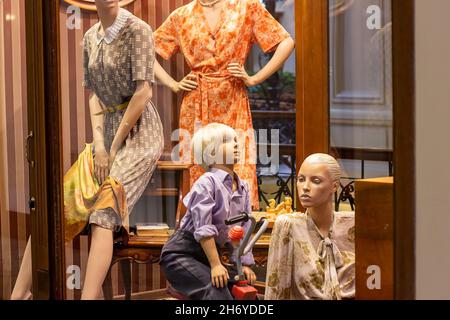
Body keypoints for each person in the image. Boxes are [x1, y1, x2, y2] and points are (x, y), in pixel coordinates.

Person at [11, 0, 163, 300]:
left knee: (103, 212)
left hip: (140, 136)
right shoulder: (90, 36)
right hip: (105, 135)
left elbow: (143, 92)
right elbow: (94, 94)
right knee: (54, 210)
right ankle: (18, 294)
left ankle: (88, 297)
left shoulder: (139, 30)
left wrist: (115, 144)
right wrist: (100, 142)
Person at [153, 0, 295, 210]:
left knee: (238, 161)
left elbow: (286, 42)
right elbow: (147, 50)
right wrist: (173, 84)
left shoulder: (247, 8)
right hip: (196, 101)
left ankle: (237, 230)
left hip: (232, 98)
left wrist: (255, 78)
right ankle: (200, 231)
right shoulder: (182, 15)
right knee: (197, 164)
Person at [160, 123, 257, 300]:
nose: (236, 144)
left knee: (245, 291)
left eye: (236, 140)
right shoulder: (206, 183)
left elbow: (243, 229)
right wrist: (215, 265)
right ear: (211, 153)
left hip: (210, 256)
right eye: (227, 141)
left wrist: (244, 265)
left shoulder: (243, 187)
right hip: (182, 254)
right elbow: (204, 228)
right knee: (217, 291)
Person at [265, 154, 355, 300]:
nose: (305, 187)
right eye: (301, 179)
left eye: (316, 181)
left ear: (334, 186)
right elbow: (276, 291)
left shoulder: (352, 225)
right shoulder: (288, 226)